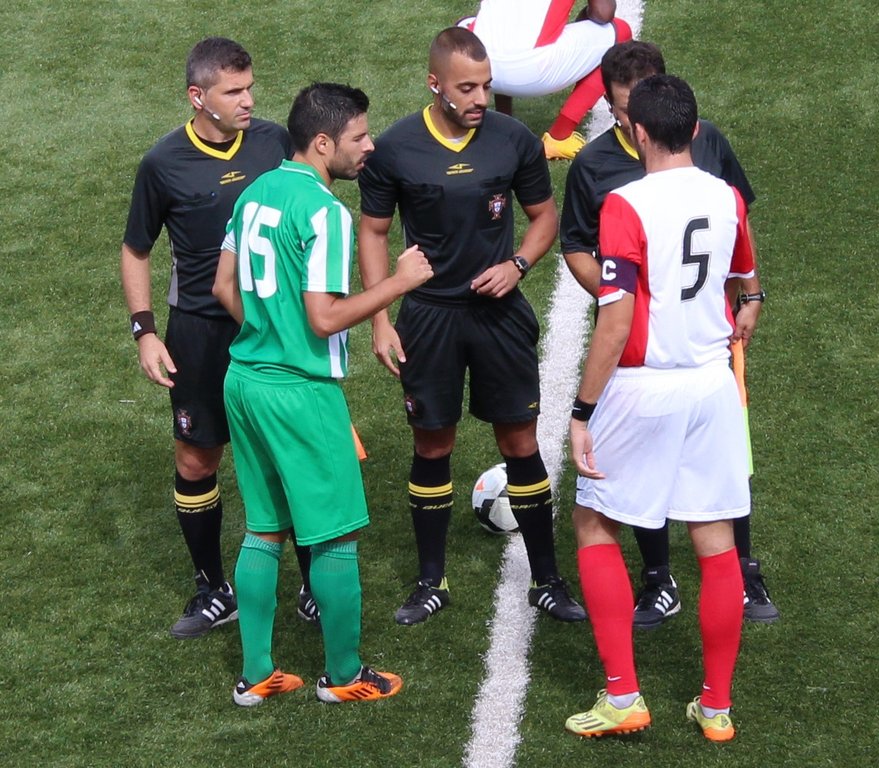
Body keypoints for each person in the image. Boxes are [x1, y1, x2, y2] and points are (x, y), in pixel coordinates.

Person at [213, 82, 433, 706]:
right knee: (335, 535)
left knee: (264, 528)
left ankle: (257, 673)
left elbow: (222, 285)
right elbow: (324, 318)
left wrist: (267, 333)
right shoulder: (326, 212)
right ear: (322, 143)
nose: (370, 146)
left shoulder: (254, 191)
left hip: (245, 382)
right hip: (299, 392)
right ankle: (343, 676)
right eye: (359, 136)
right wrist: (398, 282)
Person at [357, 26, 586, 626]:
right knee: (433, 444)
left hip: (499, 317)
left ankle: (547, 579)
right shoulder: (396, 148)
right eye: (467, 88)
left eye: (485, 85)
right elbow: (373, 232)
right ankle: (430, 581)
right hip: (429, 318)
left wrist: (518, 265)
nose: (481, 98)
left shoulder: (513, 140)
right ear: (434, 85)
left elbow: (544, 218)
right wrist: (380, 318)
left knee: (520, 443)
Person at [565, 74, 759, 741]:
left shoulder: (625, 203)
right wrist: (751, 304)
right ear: (695, 130)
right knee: (715, 541)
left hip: (642, 388)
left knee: (594, 524)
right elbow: (744, 277)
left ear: (637, 131)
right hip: (711, 386)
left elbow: (615, 320)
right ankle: (716, 708)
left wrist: (582, 411)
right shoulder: (725, 195)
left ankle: (623, 697)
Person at [121, 37, 317, 639]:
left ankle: (314, 584)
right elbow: (136, 249)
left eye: (250, 87)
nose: (248, 100)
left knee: (291, 453)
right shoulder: (163, 163)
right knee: (196, 456)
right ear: (197, 96)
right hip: (199, 331)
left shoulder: (274, 143)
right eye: (234, 91)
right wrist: (145, 331)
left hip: (273, 326)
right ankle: (213, 588)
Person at [459, 0, 632, 160]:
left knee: (466, 25)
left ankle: (501, 119)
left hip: (480, 66)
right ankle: (560, 136)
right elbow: (602, 13)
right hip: (533, 71)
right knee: (621, 31)